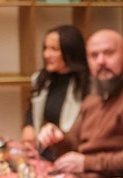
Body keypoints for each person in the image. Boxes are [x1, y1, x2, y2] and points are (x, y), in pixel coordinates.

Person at [37, 28, 123, 178]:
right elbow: (74, 143)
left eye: (109, 53)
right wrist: (57, 138)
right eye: (94, 56)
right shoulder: (94, 97)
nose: (101, 61)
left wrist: (86, 163)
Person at [22, 25, 89, 161]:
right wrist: (28, 126)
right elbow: (32, 110)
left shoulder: (87, 85)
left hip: (73, 157)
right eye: (45, 48)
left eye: (54, 49)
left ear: (70, 51)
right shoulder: (42, 79)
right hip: (44, 155)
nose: (46, 55)